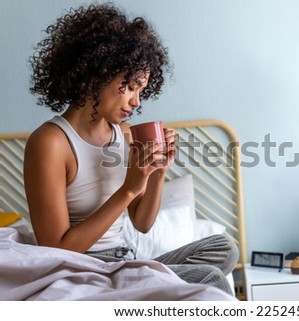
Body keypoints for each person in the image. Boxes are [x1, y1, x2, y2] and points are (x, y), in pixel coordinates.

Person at [24, 3, 238, 295]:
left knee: (224, 247)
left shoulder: (123, 134)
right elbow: (56, 249)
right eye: (131, 86)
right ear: (97, 72)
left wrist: (158, 173)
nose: (137, 101)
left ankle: (141, 284)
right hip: (84, 270)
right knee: (210, 278)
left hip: (124, 262)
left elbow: (142, 224)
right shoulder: (51, 142)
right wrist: (127, 189)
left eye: (141, 90)